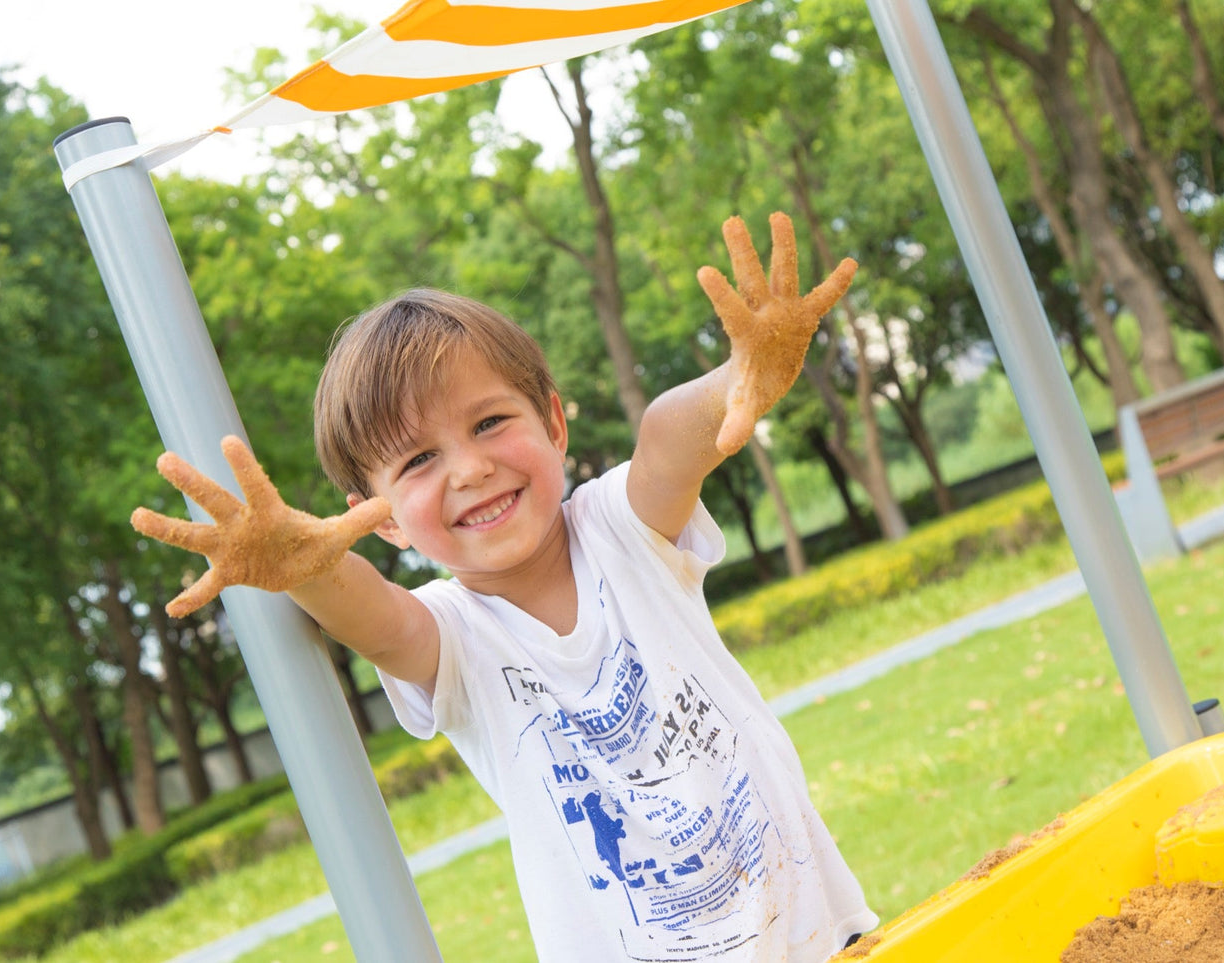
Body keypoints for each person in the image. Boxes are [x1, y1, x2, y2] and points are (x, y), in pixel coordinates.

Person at [132, 212, 879, 961]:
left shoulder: (623, 530)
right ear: (378, 518)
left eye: (489, 422)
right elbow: (378, 621)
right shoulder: (453, 636)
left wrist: (734, 381)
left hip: (823, 936)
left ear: (553, 421)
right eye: (417, 460)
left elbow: (663, 442)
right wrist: (304, 565)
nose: (468, 468)